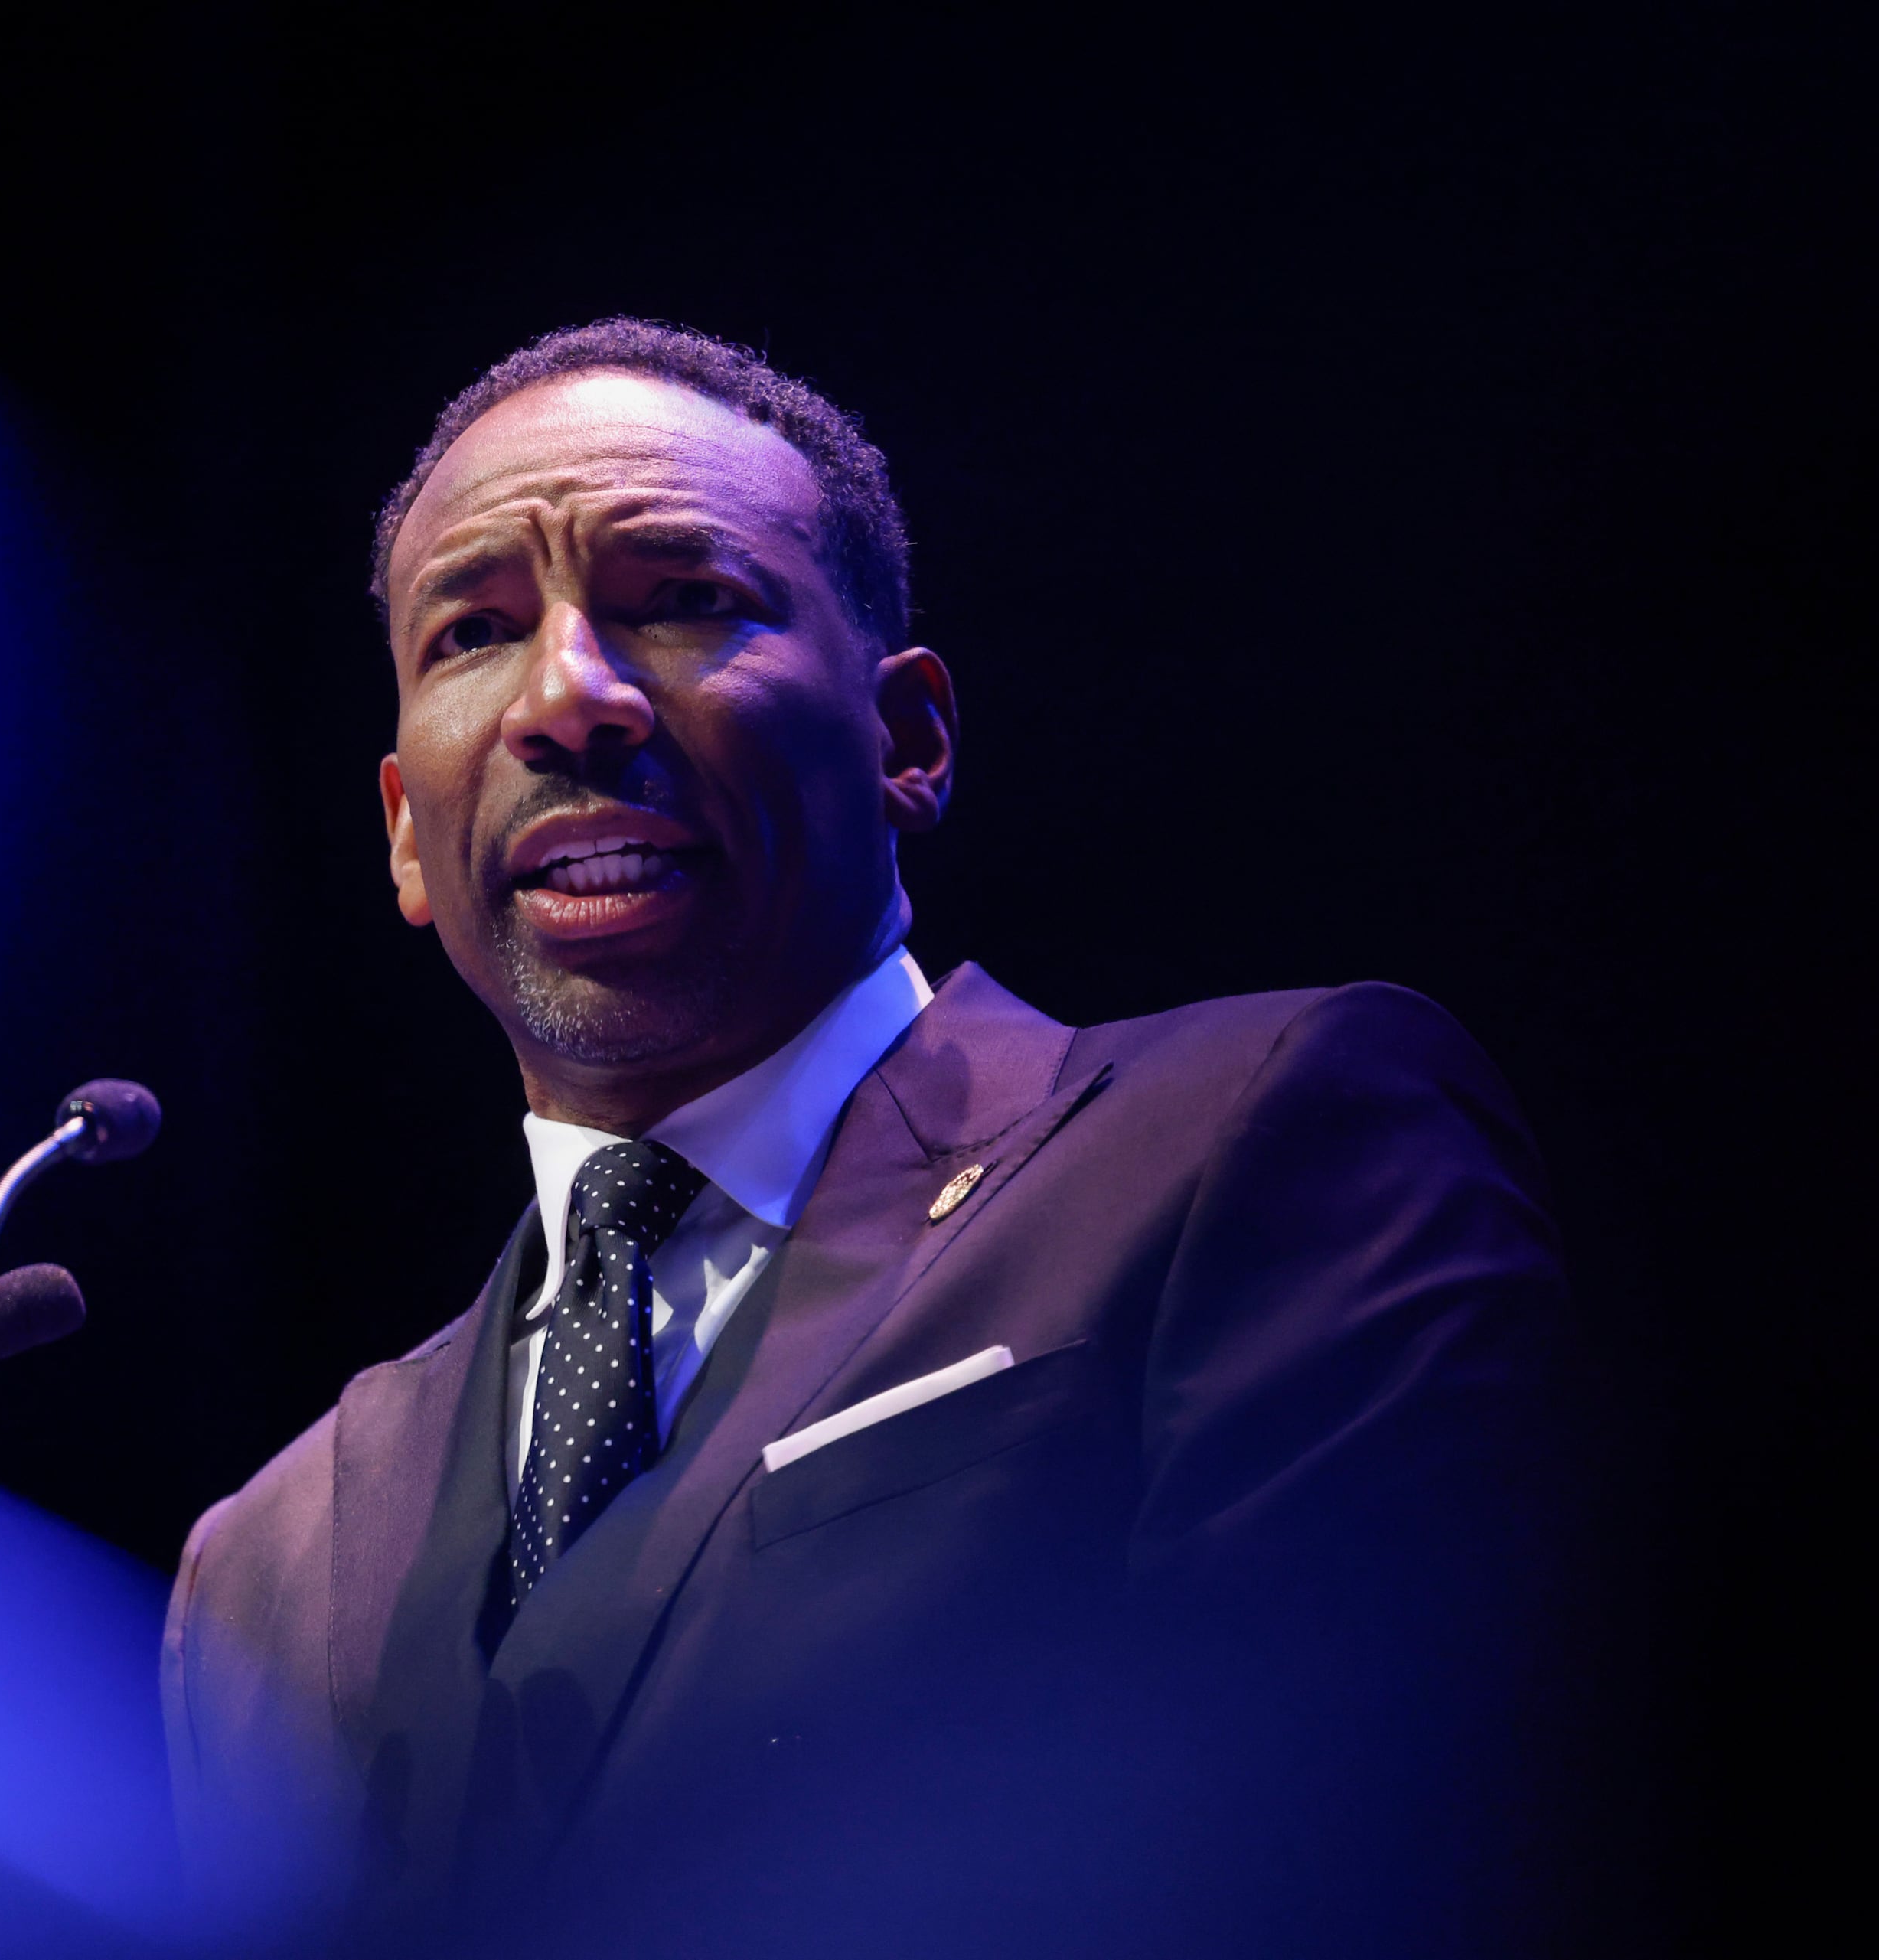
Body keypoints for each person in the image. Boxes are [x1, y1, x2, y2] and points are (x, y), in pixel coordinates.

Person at [162, 319, 1577, 1958]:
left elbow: (1390, 1852)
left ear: (907, 740)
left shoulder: (1252, 1143)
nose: (569, 698)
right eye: (475, 631)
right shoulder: (266, 1562)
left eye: (682, 598)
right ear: (407, 833)